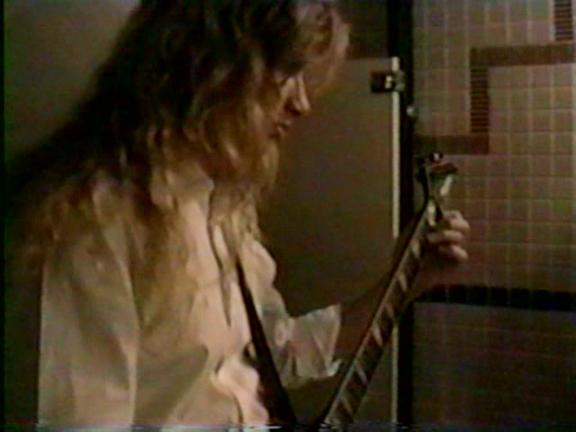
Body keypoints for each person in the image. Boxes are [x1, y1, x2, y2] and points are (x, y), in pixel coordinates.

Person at [5, 0, 470, 428]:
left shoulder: (225, 205)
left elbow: (276, 356)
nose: (302, 102)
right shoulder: (93, 218)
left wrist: (402, 284)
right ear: (210, 67)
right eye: (286, 71)